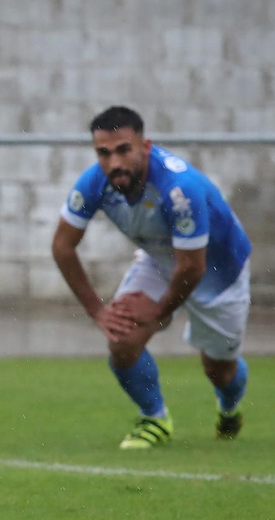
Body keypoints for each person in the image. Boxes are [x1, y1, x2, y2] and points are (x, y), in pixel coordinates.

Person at [50, 105, 253, 449]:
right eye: (103, 153)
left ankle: (229, 408)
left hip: (219, 271)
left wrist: (159, 313)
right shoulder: (95, 182)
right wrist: (98, 311)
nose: (114, 162)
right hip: (159, 262)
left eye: (123, 150)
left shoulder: (179, 188)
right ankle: (155, 418)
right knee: (121, 337)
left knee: (219, 371)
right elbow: (62, 246)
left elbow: (193, 268)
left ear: (145, 146)